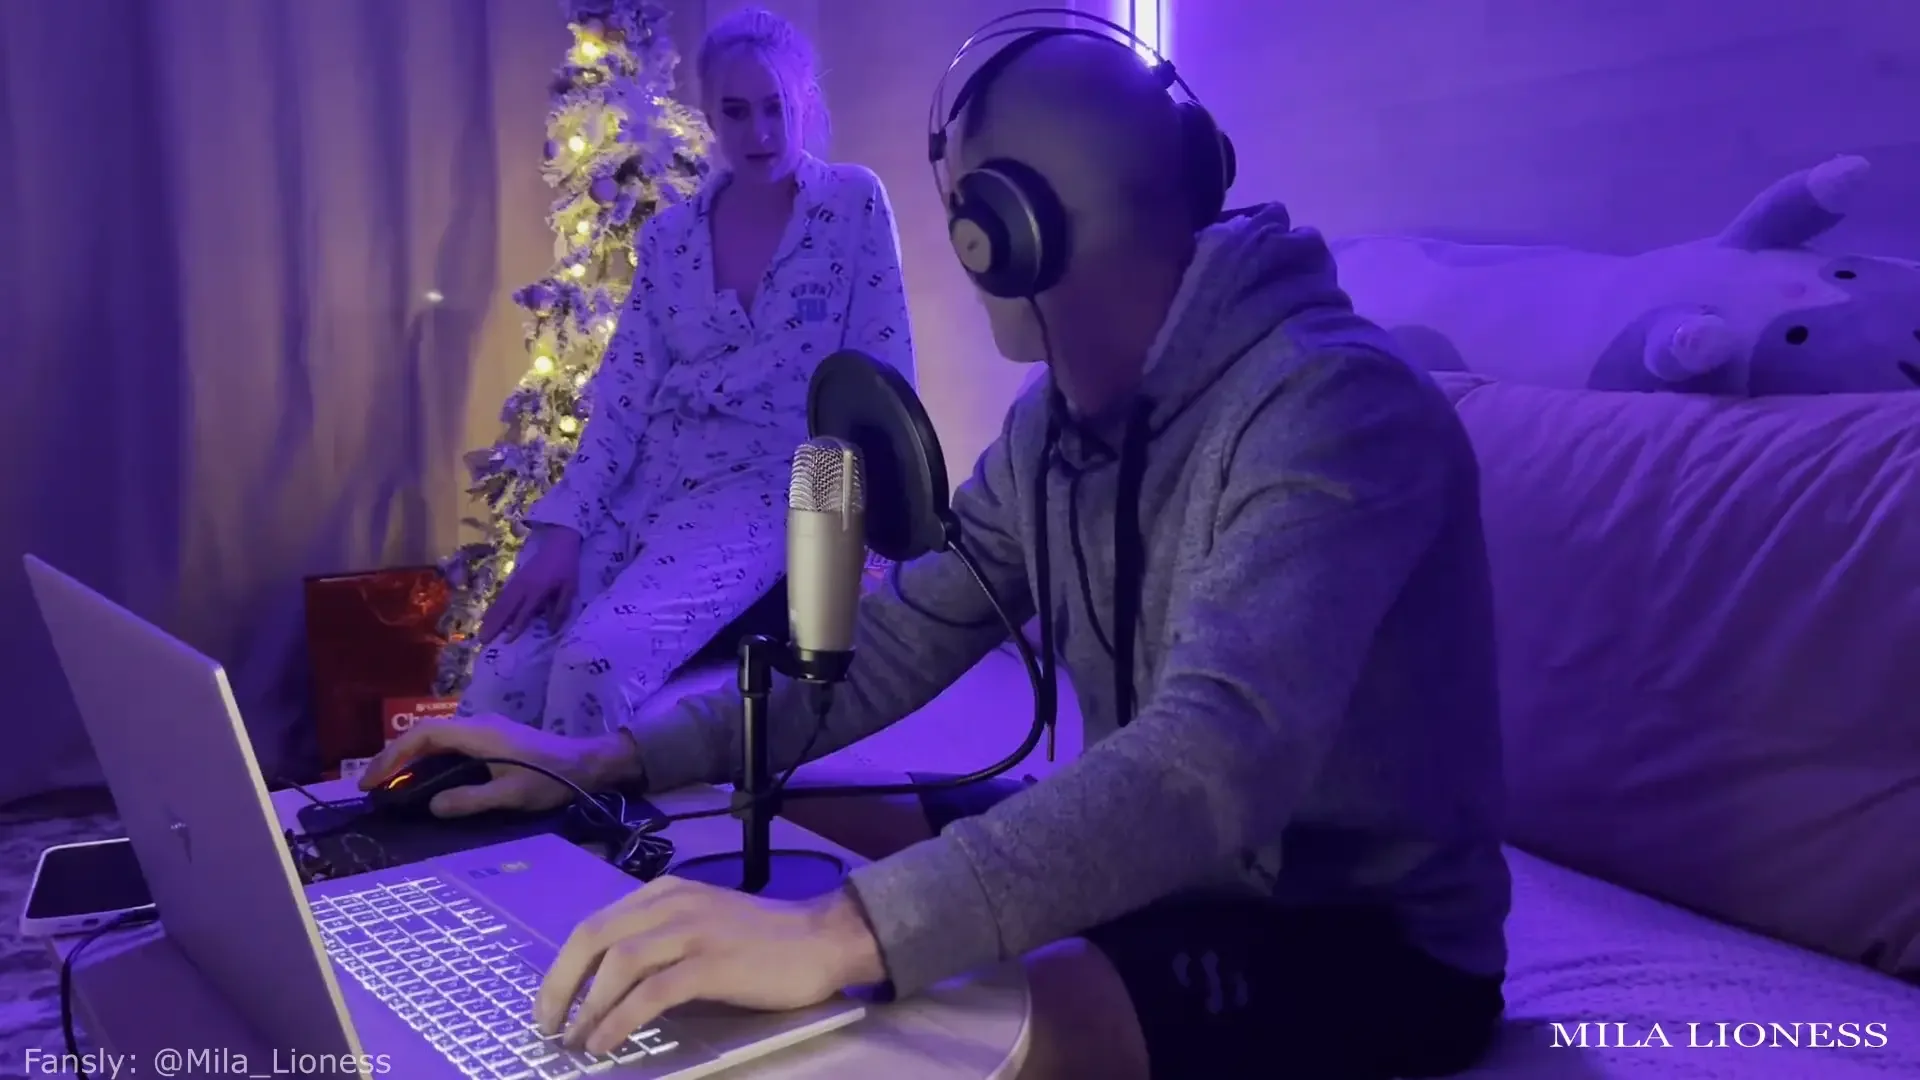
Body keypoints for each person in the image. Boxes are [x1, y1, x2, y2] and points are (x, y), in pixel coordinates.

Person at [367, 27, 1510, 1080]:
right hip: (1177, 850)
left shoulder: (1335, 408)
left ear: (1000, 232)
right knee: (755, 821)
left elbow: (1209, 763)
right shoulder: (1054, 426)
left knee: (882, 1027)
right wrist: (608, 759)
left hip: (1357, 933)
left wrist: (835, 937)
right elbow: (900, 638)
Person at [458, 7, 915, 736]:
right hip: (647, 482)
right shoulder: (671, 238)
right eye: (736, 111)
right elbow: (623, 400)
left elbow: (882, 377)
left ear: (804, 102)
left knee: (592, 665)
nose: (759, 132)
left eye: (776, 107)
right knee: (501, 673)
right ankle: (489, 809)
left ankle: (586, 813)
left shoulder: (851, 204)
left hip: (766, 489)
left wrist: (866, 538)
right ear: (708, 115)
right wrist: (565, 530)